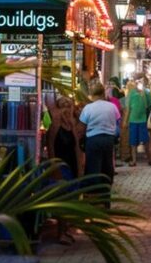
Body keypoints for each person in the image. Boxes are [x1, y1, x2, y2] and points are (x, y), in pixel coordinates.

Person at [78, 82, 121, 208]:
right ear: (103, 93)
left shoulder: (88, 108)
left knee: (93, 169)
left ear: (92, 94)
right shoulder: (112, 107)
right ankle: (106, 199)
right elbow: (117, 120)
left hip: (93, 140)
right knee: (107, 167)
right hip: (108, 140)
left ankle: (94, 200)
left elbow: (82, 127)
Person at [46, 95, 81, 245]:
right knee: (62, 199)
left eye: (69, 106)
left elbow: (77, 147)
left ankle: (66, 229)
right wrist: (54, 168)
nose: (67, 109)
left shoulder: (71, 124)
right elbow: (51, 146)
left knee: (71, 198)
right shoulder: (55, 125)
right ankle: (60, 232)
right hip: (60, 165)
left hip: (71, 163)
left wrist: (80, 166)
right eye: (64, 106)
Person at [123, 80, 150, 167]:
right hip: (134, 120)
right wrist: (125, 121)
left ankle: (149, 159)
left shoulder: (145, 93)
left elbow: (148, 104)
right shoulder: (132, 94)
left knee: (144, 140)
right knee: (133, 142)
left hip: (141, 120)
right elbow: (128, 109)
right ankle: (134, 160)